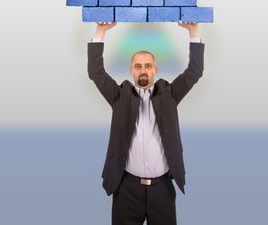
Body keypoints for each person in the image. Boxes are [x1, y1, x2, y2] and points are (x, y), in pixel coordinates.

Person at [87, 21, 205, 225]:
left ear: (155, 70)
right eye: (138, 66)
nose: (143, 70)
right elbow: (96, 73)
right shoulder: (119, 96)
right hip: (126, 189)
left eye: (148, 66)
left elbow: (194, 72)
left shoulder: (170, 94)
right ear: (131, 70)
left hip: (163, 189)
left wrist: (193, 31)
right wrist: (100, 31)